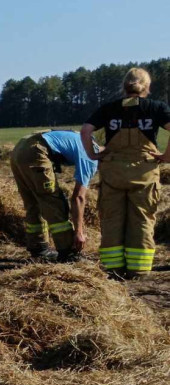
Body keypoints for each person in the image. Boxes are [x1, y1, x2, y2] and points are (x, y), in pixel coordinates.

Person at [82, 67, 170, 279]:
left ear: (124, 87)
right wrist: (166, 157)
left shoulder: (109, 108)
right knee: (141, 218)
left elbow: (85, 130)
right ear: (147, 87)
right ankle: (138, 270)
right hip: (144, 172)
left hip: (113, 173)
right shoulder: (156, 108)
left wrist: (93, 154)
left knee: (112, 219)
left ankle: (113, 269)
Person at [9, 130, 96, 262]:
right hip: (36, 151)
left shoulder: (84, 140)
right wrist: (79, 232)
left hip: (20, 149)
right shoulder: (91, 156)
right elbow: (78, 197)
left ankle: (38, 248)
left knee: (34, 203)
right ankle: (69, 253)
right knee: (54, 203)